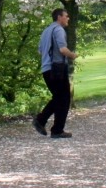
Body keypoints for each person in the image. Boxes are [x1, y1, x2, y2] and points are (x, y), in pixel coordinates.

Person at [33, 8, 78, 138]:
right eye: (66, 16)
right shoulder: (58, 30)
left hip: (46, 68)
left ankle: (42, 121)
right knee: (64, 98)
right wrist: (72, 55)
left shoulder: (46, 31)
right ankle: (56, 129)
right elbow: (63, 49)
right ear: (59, 17)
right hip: (57, 68)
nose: (68, 18)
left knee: (59, 97)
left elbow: (40, 51)